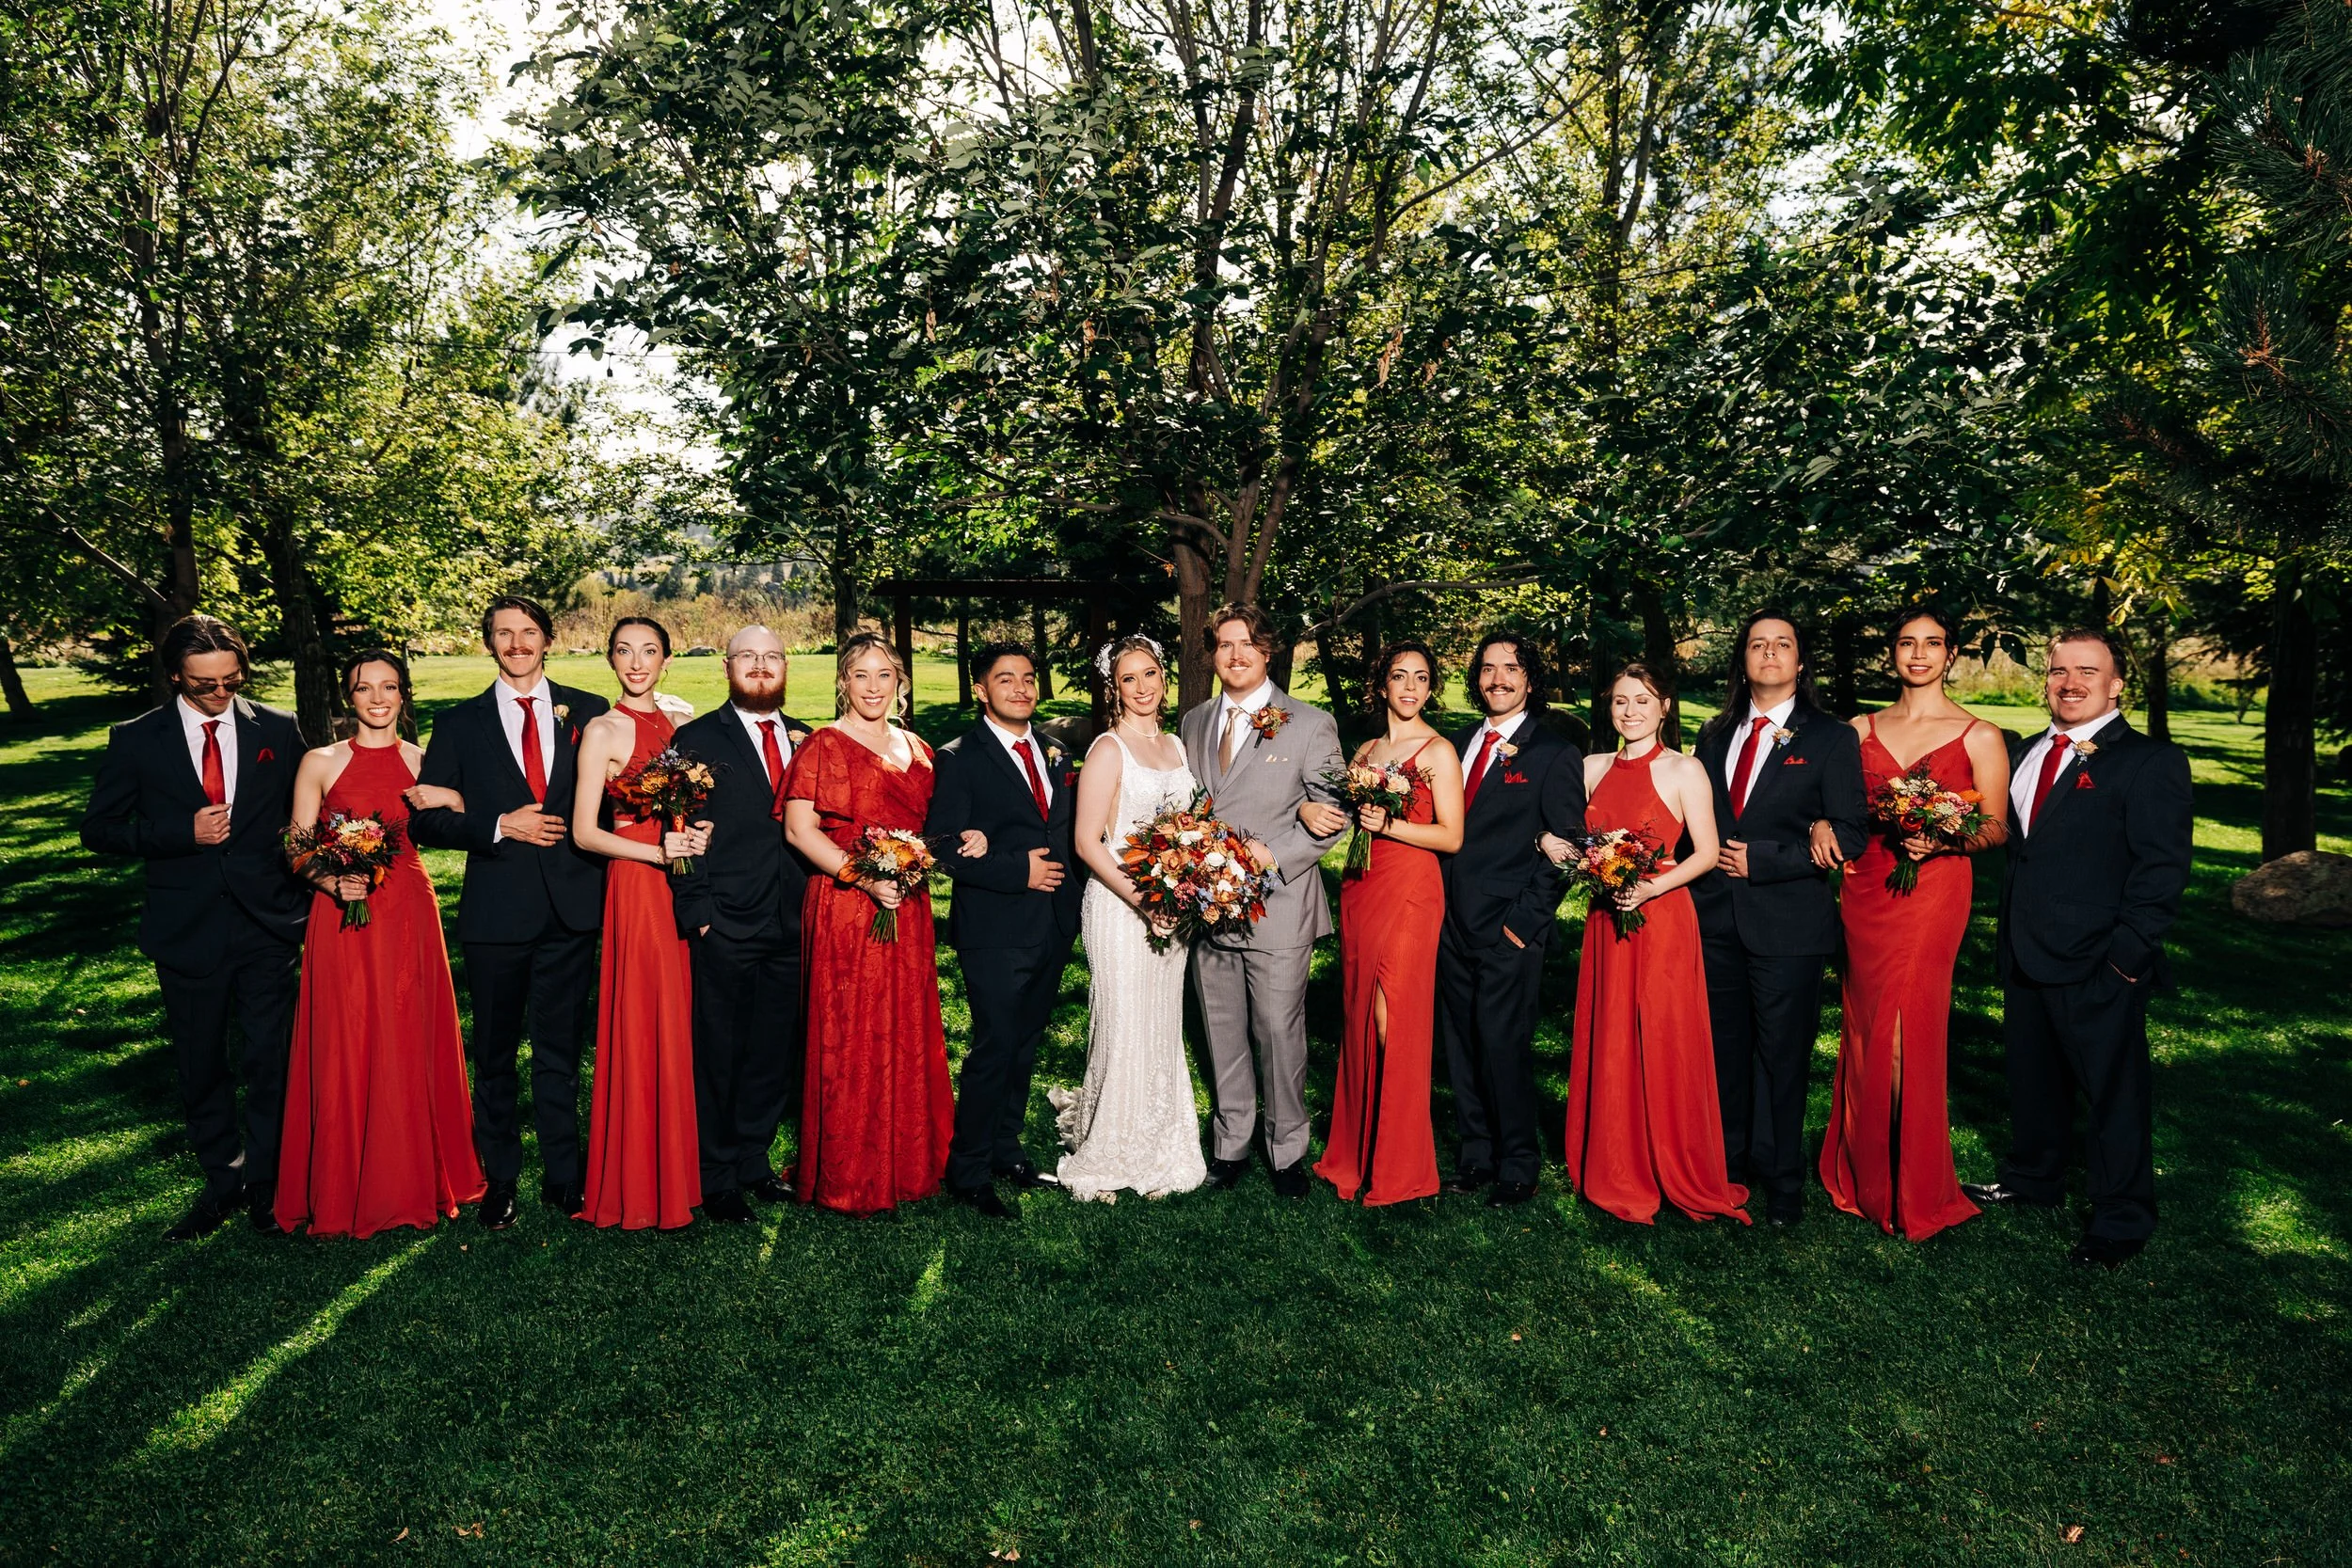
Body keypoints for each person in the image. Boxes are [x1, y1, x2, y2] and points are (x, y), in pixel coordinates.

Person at [1964, 628, 2192, 1268]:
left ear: (2118, 683)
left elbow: (2161, 872)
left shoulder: (2150, 762)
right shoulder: (2029, 749)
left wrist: (2125, 960)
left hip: (2099, 961)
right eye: (2058, 670)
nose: (2069, 682)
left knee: (2113, 1095)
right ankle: (2033, 1176)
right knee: (2033, 1079)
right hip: (2027, 950)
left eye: (2087, 670)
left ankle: (2122, 1216)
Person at [81, 613, 310, 1240]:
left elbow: (301, 815)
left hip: (269, 924)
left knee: (271, 1060)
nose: (220, 692)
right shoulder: (136, 739)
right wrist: (180, 833)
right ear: (175, 675)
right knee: (202, 1063)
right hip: (186, 929)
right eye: (204, 683)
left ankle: (269, 1185)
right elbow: (98, 829)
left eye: (231, 680)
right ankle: (223, 1179)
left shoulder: (280, 728)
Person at [1806, 608, 2010, 1242]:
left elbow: (1997, 825)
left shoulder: (1980, 735)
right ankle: (1864, 1168)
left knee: (1905, 1028)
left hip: (1933, 893)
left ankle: (1907, 1181)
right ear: (1891, 653)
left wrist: (1946, 837)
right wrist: (1819, 824)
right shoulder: (1855, 729)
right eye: (1906, 643)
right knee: (1867, 1024)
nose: (1918, 654)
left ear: (1950, 655)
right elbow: (1832, 809)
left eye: (1932, 644)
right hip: (1868, 889)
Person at [409, 595, 611, 1229]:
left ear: (548, 639)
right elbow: (426, 819)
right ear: (489, 641)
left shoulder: (590, 710)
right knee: (494, 1052)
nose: (517, 643)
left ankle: (563, 1175)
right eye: (504, 633)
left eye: (528, 632)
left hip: (572, 908)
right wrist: (498, 823)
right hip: (497, 913)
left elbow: (615, 794)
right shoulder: (461, 722)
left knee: (559, 1048)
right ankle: (499, 1177)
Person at [276, 651, 485, 1236]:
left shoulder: (425, 761)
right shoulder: (320, 762)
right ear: (349, 697)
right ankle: (343, 1183)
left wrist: (454, 799)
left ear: (403, 695)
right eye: (364, 688)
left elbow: (464, 820)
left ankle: (413, 1174)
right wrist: (329, 881)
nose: (377, 698)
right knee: (346, 1034)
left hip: (408, 912)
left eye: (388, 687)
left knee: (409, 1031)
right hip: (340, 914)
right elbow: (295, 843)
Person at [1545, 664, 1750, 1226]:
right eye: (1619, 702)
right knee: (1610, 1032)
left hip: (1662, 917)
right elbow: (1562, 832)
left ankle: (1670, 1162)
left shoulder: (1686, 770)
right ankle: (1614, 1160)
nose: (1630, 711)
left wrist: (1649, 887)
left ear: (1665, 707)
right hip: (1606, 918)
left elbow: (1706, 853)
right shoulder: (1589, 768)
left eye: (1643, 700)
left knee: (1663, 1034)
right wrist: (1553, 844)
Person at [783, 634, 972, 1214]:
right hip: (845, 904)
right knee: (849, 1030)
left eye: (883, 676)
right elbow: (799, 829)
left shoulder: (918, 749)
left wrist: (958, 843)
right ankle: (847, 1169)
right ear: (844, 681)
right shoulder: (823, 744)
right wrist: (861, 877)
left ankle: (907, 1160)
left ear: (900, 684)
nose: (872, 687)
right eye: (860, 675)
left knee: (903, 1027)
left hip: (905, 906)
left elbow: (939, 825)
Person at [1689, 610, 1867, 1226]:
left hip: (1789, 921)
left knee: (1783, 1054)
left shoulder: (1830, 737)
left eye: (1782, 644)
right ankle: (1731, 1165)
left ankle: (1783, 1178)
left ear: (1799, 661)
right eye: (1757, 644)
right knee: (1726, 1051)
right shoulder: (1713, 735)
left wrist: (1764, 859)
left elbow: (1851, 832)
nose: (1769, 653)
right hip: (1714, 921)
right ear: (1743, 660)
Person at [1177, 604, 1347, 1196]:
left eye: (1247, 643)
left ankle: (1286, 1150)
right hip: (1205, 908)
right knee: (1221, 1027)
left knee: (1278, 1032)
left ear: (1267, 649)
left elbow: (1332, 816)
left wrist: (1267, 863)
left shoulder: (1308, 722)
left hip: (1277, 907)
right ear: (1212, 654)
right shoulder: (1195, 722)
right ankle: (1231, 1144)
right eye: (1224, 645)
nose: (1236, 654)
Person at [926, 643, 1086, 1219]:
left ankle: (1006, 1148)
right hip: (994, 925)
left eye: (1027, 678)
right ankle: (967, 1169)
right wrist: (1017, 871)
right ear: (981, 690)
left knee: (1024, 1045)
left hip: (1052, 922)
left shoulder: (1054, 749)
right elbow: (942, 845)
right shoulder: (959, 756)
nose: (1020, 688)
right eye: (1005, 679)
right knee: (994, 1046)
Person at [1053, 635, 1209, 1203]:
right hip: (1122, 908)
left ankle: (1160, 1133)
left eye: (1149, 675)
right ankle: (1113, 1143)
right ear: (1113, 688)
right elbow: (1088, 842)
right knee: (1124, 1024)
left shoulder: (1176, 745)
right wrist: (1147, 902)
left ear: (1163, 678)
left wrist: (1187, 887)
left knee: (1162, 1024)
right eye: (1128, 680)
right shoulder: (1107, 749)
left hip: (1174, 909)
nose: (1141, 688)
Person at [669, 626, 815, 1222]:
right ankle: (717, 1172)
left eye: (772, 657)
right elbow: (677, 833)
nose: (760, 667)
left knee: (773, 1051)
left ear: (786, 666)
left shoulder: (811, 739)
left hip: (796, 921)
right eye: (748, 657)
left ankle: (754, 1159)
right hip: (726, 921)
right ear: (728, 666)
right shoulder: (696, 739)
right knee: (720, 1052)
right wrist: (698, 912)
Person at [1437, 632, 1586, 1206]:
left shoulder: (1553, 752)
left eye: (1512, 669)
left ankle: (1518, 1162)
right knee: (1461, 1042)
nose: (1498, 678)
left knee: (1504, 1044)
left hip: (1507, 928)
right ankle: (1476, 1156)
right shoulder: (1456, 743)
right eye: (1489, 669)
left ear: (1530, 680)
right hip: (1449, 921)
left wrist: (1521, 926)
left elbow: (1569, 845)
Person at [1315, 641, 1464, 1205]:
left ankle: (1399, 1163)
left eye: (1421, 678)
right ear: (1382, 685)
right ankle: (1358, 1151)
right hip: (1362, 887)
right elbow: (1350, 822)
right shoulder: (1367, 750)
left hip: (1411, 892)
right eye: (1399, 677)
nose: (1409, 688)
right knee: (1359, 1014)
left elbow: (1451, 836)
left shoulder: (1438, 751)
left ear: (1430, 688)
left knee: (1392, 1018)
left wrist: (1389, 827)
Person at [567, 618, 705, 1230]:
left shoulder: (683, 722)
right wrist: (656, 855)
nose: (636, 661)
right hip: (638, 883)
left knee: (681, 1018)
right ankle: (636, 1180)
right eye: (624, 650)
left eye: (649, 650)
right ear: (610, 659)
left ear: (668, 659)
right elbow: (584, 831)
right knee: (643, 1016)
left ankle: (680, 1170)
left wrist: (694, 840)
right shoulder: (602, 729)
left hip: (685, 882)